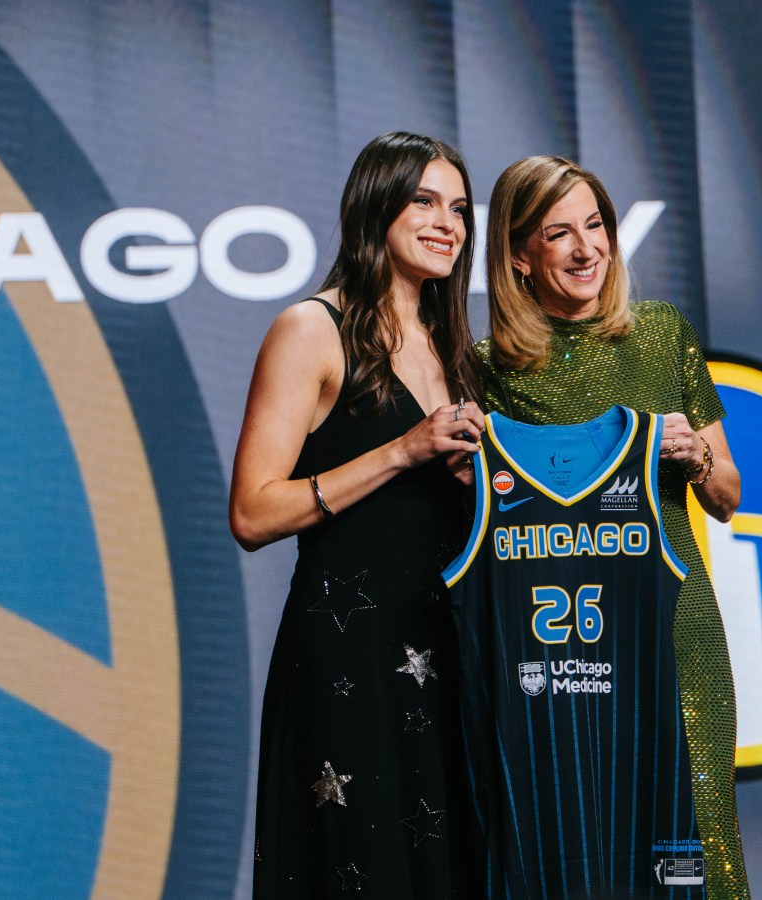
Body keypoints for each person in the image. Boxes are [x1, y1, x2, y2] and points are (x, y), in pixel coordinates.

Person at [475, 155, 751, 899]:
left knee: (698, 844)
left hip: (674, 633)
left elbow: (727, 496)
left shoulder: (662, 335)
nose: (586, 247)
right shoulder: (486, 367)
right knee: (581, 846)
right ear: (517, 257)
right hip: (562, 649)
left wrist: (695, 456)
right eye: (558, 233)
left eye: (595, 225)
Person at [229, 132, 486, 898]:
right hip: (353, 660)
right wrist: (403, 451)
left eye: (461, 209)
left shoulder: (453, 344)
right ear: (376, 207)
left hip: (449, 657)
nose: (448, 223)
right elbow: (251, 510)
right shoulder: (311, 328)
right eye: (425, 201)